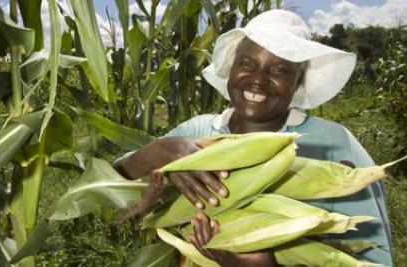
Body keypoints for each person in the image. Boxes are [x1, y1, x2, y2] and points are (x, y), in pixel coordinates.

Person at [114, 9, 392, 267]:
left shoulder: (333, 144)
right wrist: (159, 152)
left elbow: (375, 256)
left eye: (279, 69)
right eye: (247, 63)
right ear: (231, 69)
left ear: (299, 82)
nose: (258, 79)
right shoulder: (198, 132)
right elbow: (108, 194)